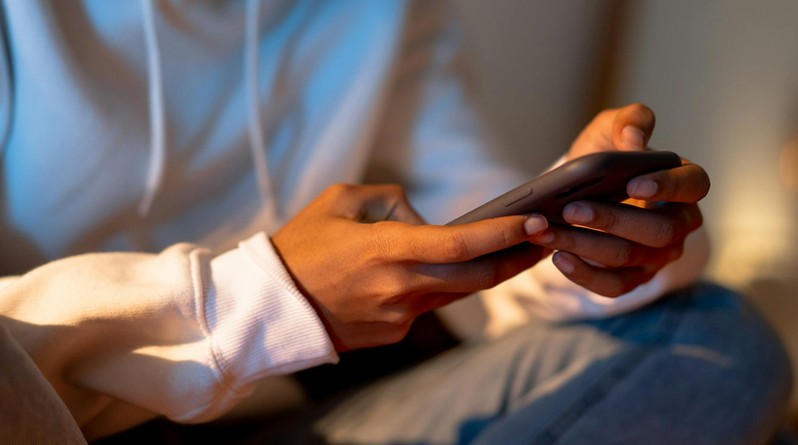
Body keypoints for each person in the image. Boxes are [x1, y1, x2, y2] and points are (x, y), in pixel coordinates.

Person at [0, 1, 791, 444]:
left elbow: (468, 233)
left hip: (283, 421)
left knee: (712, 339)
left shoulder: (379, 13)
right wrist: (264, 298)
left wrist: (591, 234)